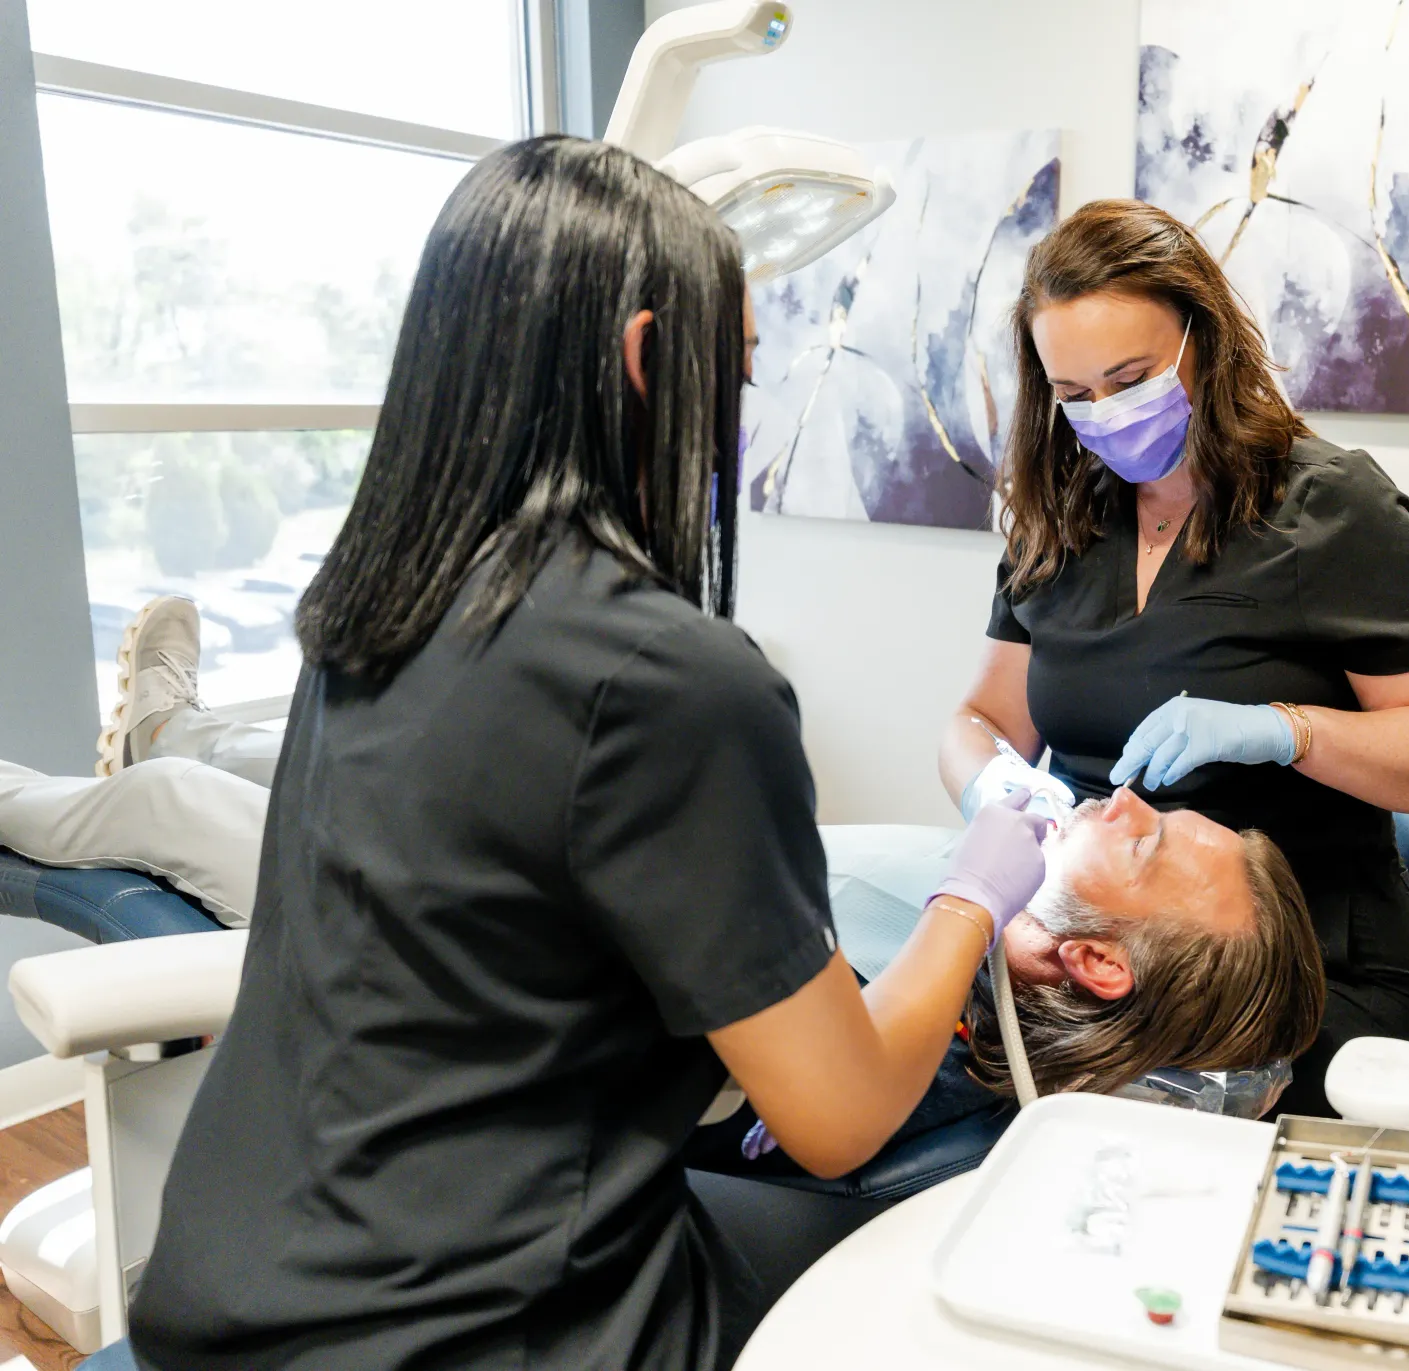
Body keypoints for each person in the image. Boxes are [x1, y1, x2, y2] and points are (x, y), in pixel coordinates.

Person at [122, 136, 1053, 1371]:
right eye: (735, 381)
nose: (732, 424)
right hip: (455, 1331)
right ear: (645, 359)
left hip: (231, 1284)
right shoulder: (672, 681)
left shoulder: (371, 610)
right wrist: (973, 895)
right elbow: (839, 1118)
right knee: (937, 1263)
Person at [2, 610, 1325, 1129]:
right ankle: (171, 716)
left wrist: (978, 899)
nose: (1129, 794)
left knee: (178, 801)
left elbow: (804, 1086)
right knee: (318, 732)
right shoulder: (1002, 887)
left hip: (437, 915)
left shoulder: (927, 982)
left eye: (1150, 837)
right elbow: (1240, 1065)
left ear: (1097, 958)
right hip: (548, 850)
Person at [939, 199, 1409, 1118]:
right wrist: (994, 790)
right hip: (1099, 940)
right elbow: (982, 722)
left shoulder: (1330, 512)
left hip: (1293, 955)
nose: (1104, 415)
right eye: (1074, 394)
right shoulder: (1061, 517)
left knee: (1099, 1123)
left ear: (1201, 340)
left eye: (1128, 378)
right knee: (937, 1049)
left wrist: (1286, 732)